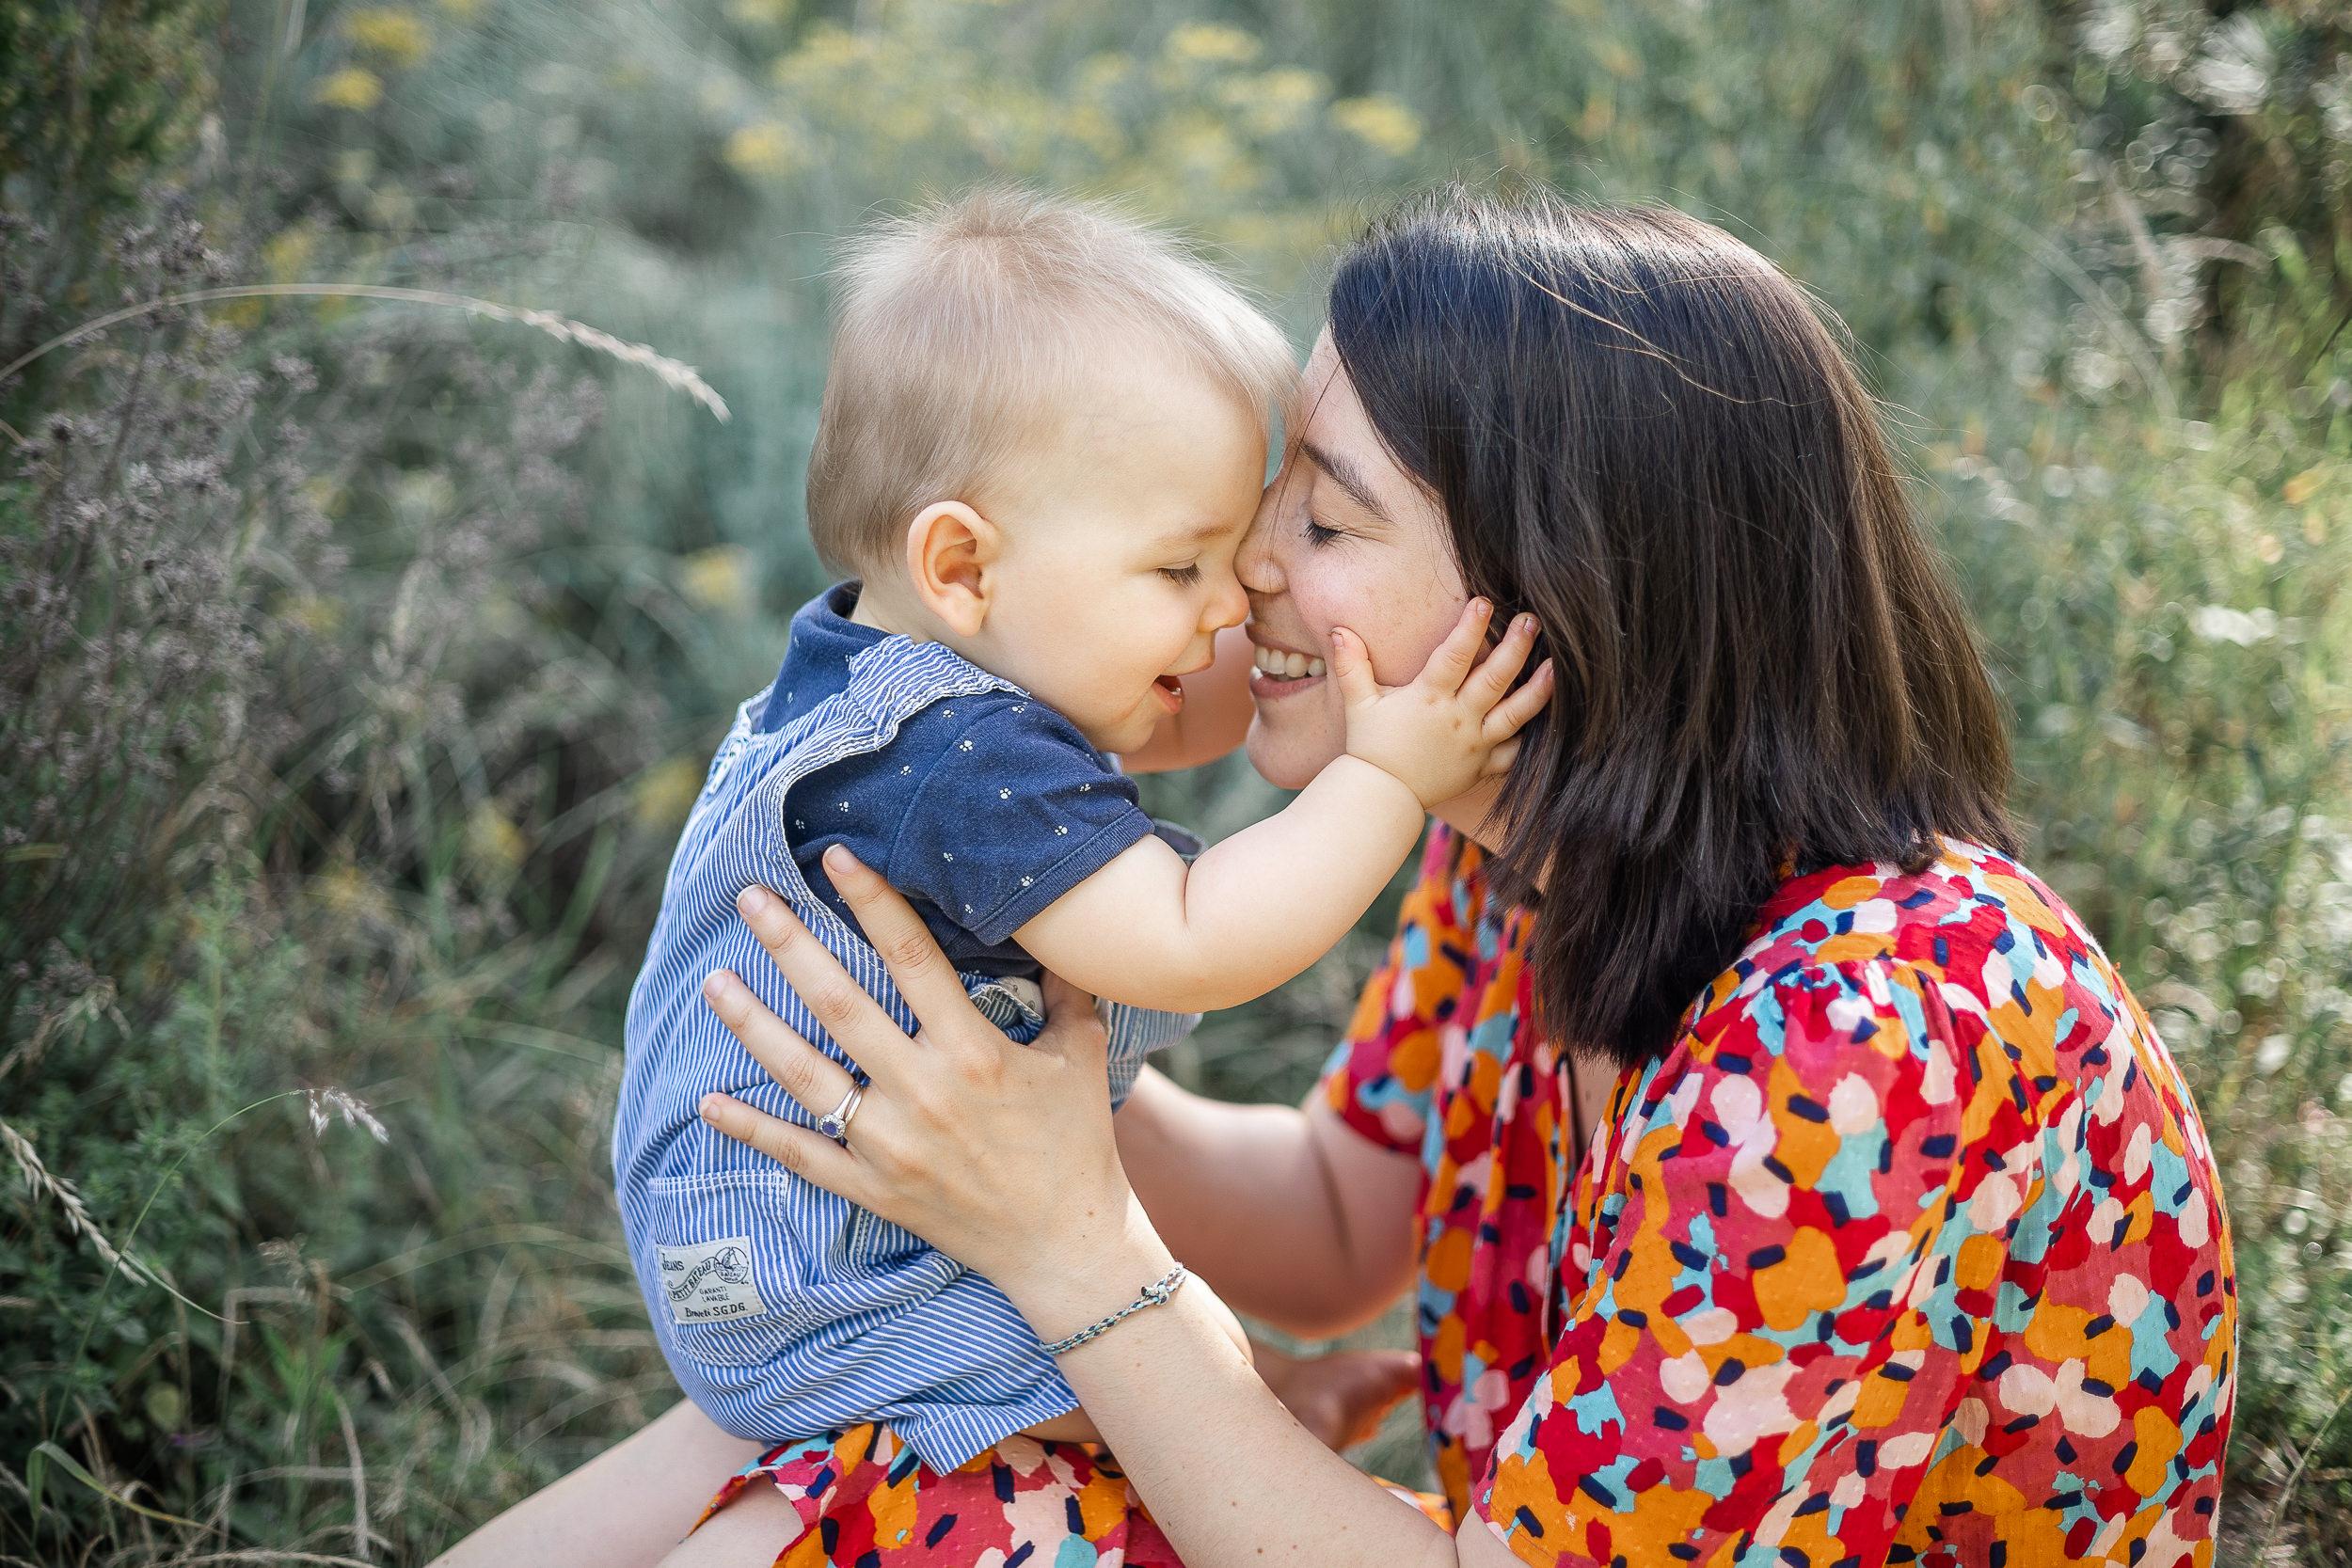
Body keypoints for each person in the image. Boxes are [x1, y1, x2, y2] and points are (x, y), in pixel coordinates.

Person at [442, 187, 2236, 1568]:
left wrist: (1064, 1236)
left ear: (1562, 589)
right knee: (824, 1450)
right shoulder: (1517, 857)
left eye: (1321, 518)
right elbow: (1335, 1223)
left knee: (933, 1512)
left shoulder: (1876, 1030)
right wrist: (977, 1099)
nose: (1251, 588)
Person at [614, 183, 1551, 1488]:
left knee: (1065, 1358)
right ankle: (1270, 1415)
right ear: (964, 568)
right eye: (1185, 568)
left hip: (791, 1251)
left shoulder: (899, 686)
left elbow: (1192, 718)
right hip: (816, 1270)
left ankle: (1264, 1400)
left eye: (1292, 529)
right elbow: (1193, 941)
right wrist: (1384, 778)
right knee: (1064, 1421)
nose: (1241, 594)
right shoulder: (961, 762)